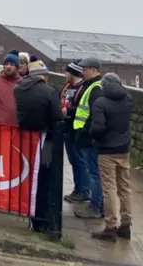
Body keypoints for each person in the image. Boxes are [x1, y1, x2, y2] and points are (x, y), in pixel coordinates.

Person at [14, 55, 63, 232]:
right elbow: (57, 117)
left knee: (26, 176)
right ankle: (42, 219)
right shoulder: (49, 92)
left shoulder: (18, 89)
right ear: (42, 75)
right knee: (43, 180)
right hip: (44, 140)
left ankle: (28, 214)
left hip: (23, 139)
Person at [89, 72, 133, 242]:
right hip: (124, 149)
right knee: (125, 187)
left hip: (106, 150)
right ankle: (126, 225)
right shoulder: (128, 99)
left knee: (109, 188)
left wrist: (93, 136)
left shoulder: (101, 102)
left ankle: (110, 226)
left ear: (104, 85)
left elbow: (98, 127)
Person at [72, 56, 104, 219]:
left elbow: (94, 114)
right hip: (85, 136)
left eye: (85, 70)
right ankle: (98, 205)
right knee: (94, 172)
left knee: (94, 173)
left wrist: (86, 133)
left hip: (89, 138)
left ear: (93, 69)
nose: (83, 72)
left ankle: (95, 206)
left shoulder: (95, 88)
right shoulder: (90, 86)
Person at [60, 60, 90, 203]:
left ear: (72, 73)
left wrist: (68, 110)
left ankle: (83, 190)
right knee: (73, 160)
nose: (65, 74)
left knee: (79, 161)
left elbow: (83, 107)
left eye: (67, 72)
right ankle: (77, 189)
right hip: (65, 127)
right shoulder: (67, 86)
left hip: (76, 129)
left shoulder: (82, 88)